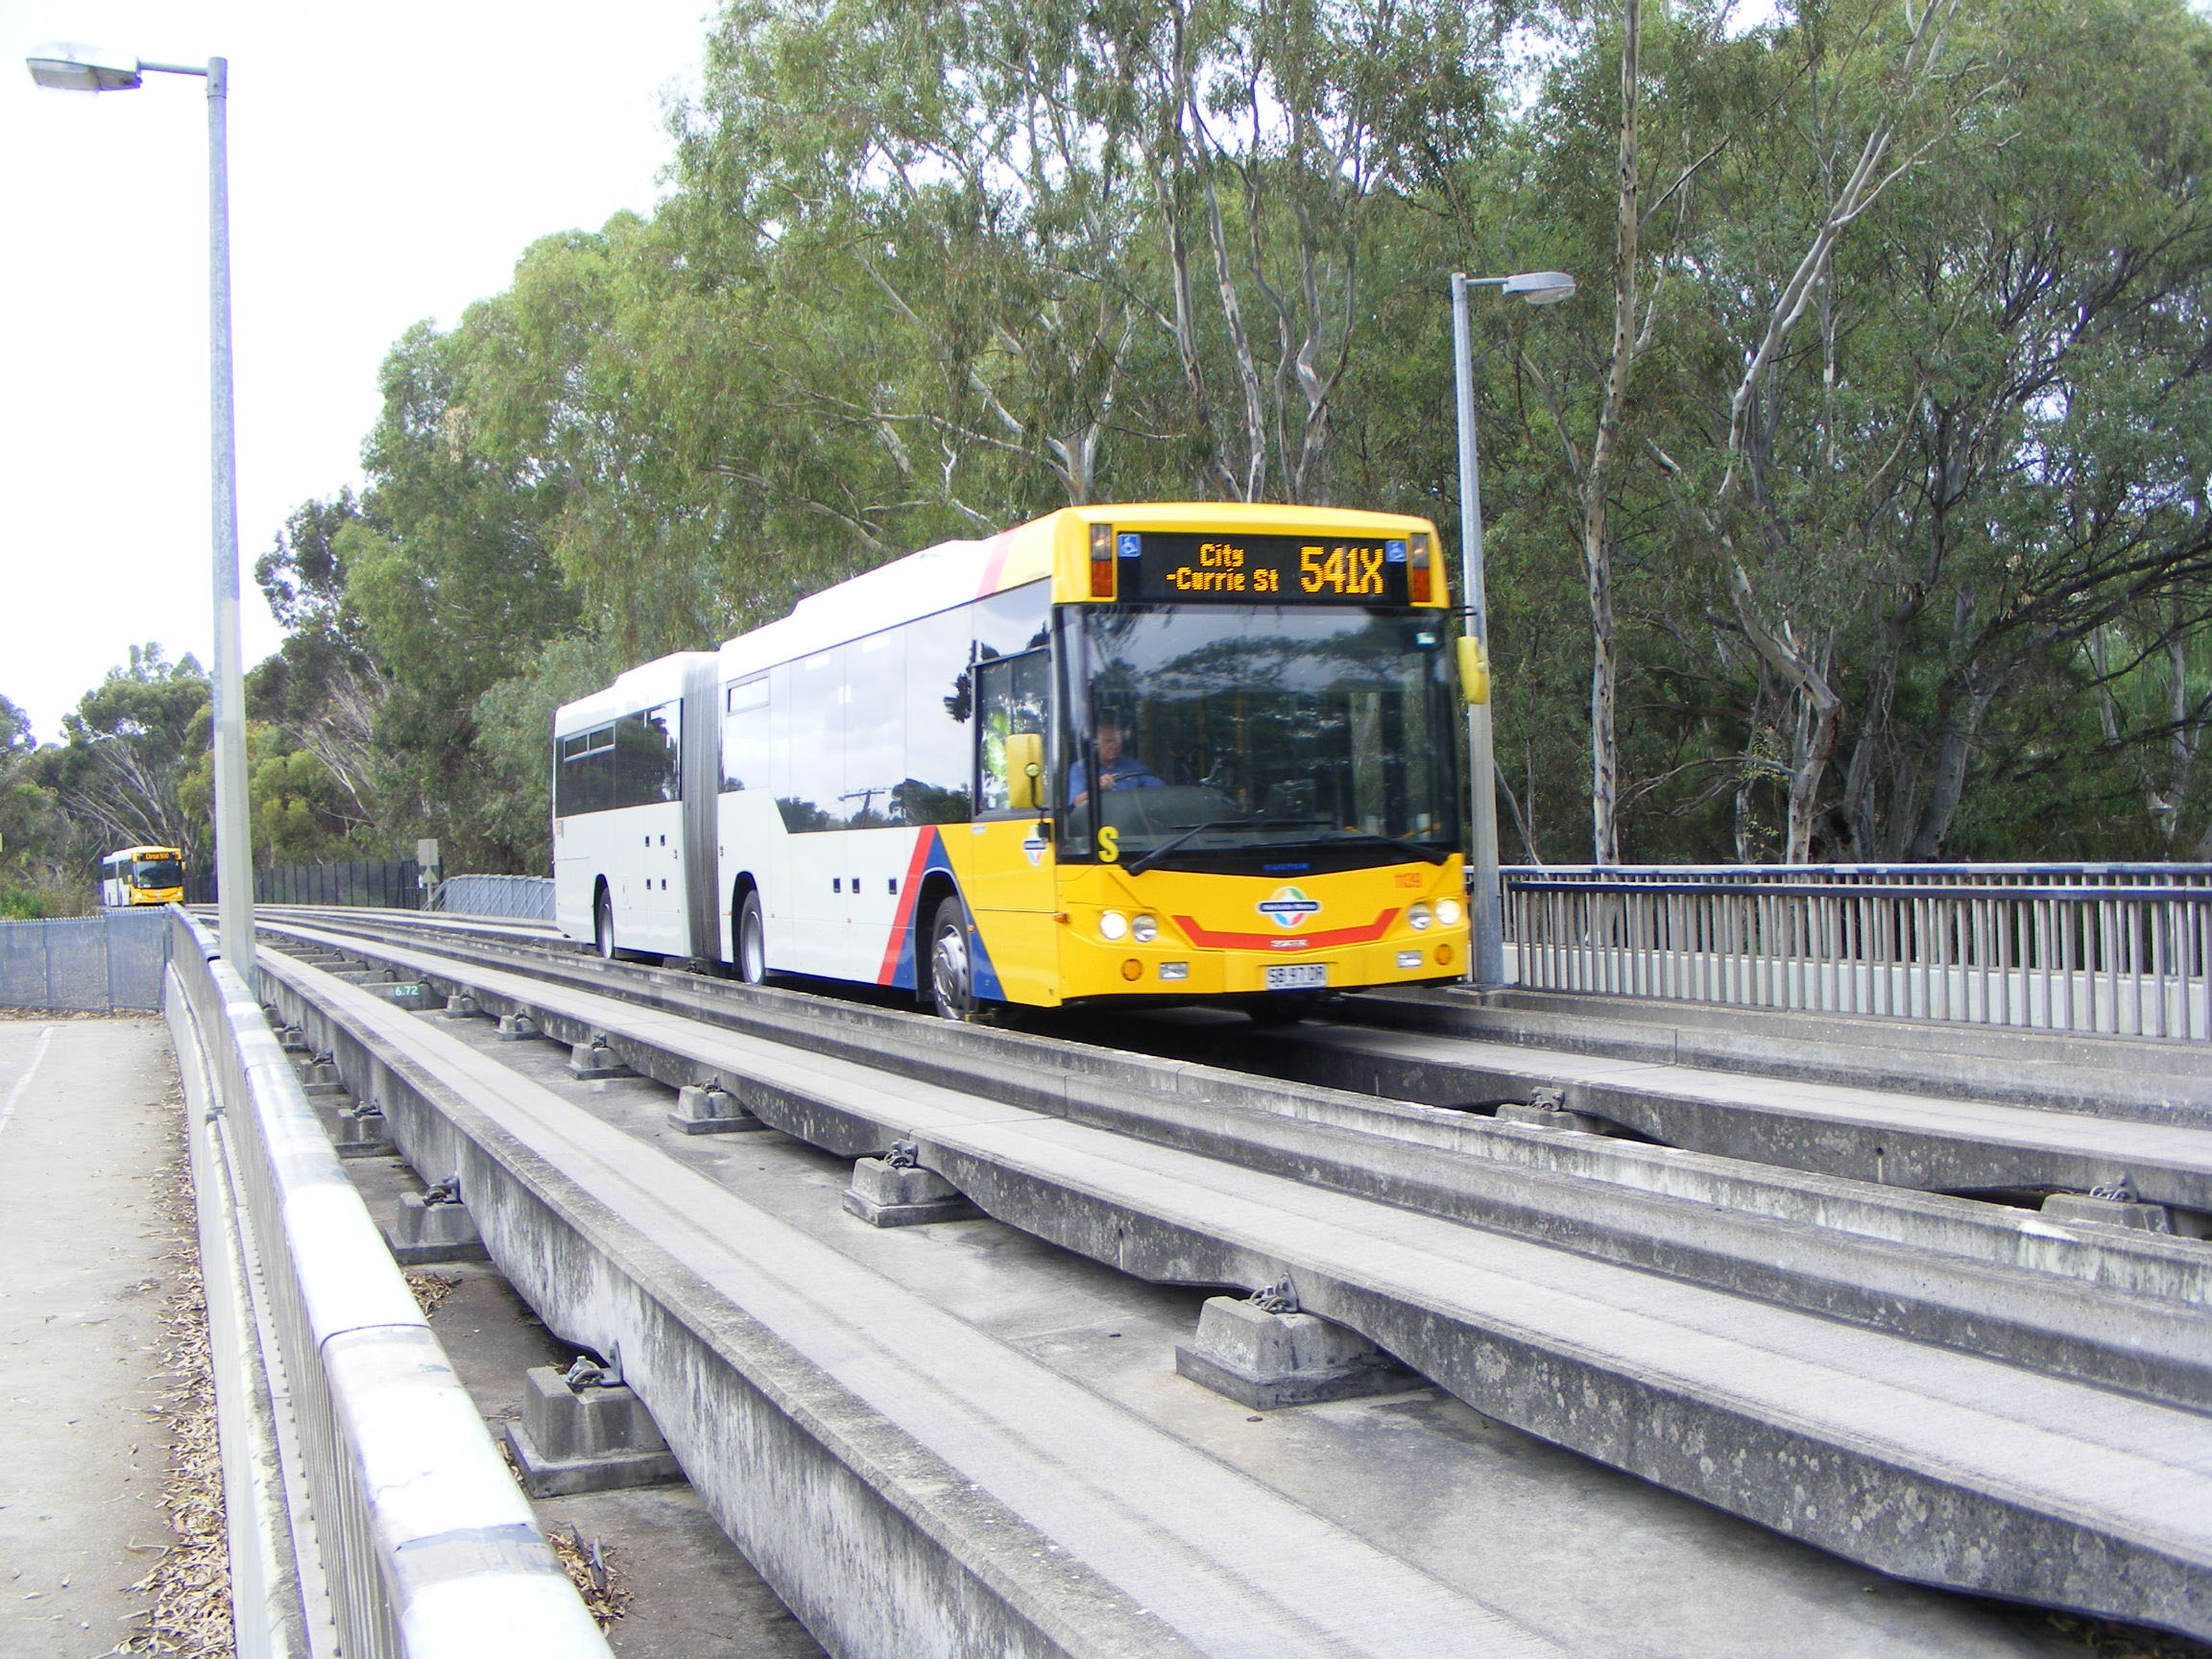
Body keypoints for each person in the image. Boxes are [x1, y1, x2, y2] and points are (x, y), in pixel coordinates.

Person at [1068, 721, 1164, 805]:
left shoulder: (1133, 765)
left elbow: (1160, 793)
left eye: (1117, 740)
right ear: (1095, 744)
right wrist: (1097, 788)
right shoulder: (1081, 769)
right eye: (1108, 741)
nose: (1114, 746)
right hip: (1100, 822)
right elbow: (1077, 803)